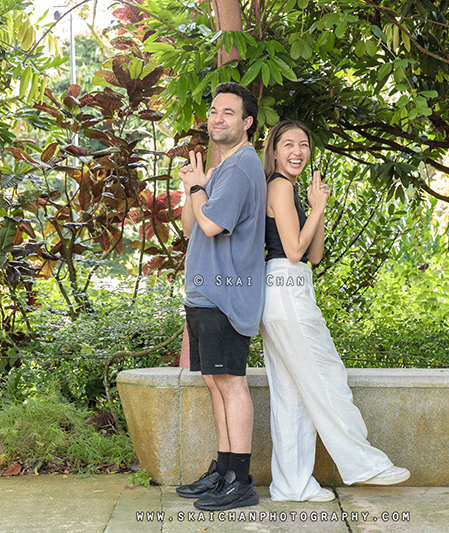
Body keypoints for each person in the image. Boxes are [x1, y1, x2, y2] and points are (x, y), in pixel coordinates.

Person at [260, 120, 411, 502]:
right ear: (274, 150)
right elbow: (294, 251)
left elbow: (315, 253)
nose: (298, 151)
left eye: (304, 145)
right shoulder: (278, 186)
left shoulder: (290, 190)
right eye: (289, 144)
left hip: (289, 286)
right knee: (328, 377)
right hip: (286, 289)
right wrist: (318, 207)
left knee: (293, 396)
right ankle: (365, 463)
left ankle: (291, 485)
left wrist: (317, 210)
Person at [175, 82, 266, 511]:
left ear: (246, 122)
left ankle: (241, 481)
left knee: (231, 383)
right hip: (205, 294)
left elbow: (211, 226)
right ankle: (225, 470)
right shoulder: (223, 169)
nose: (217, 118)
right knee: (216, 382)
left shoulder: (243, 166)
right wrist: (193, 187)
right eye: (213, 111)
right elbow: (190, 227)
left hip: (227, 296)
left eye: (228, 112)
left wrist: (198, 189)